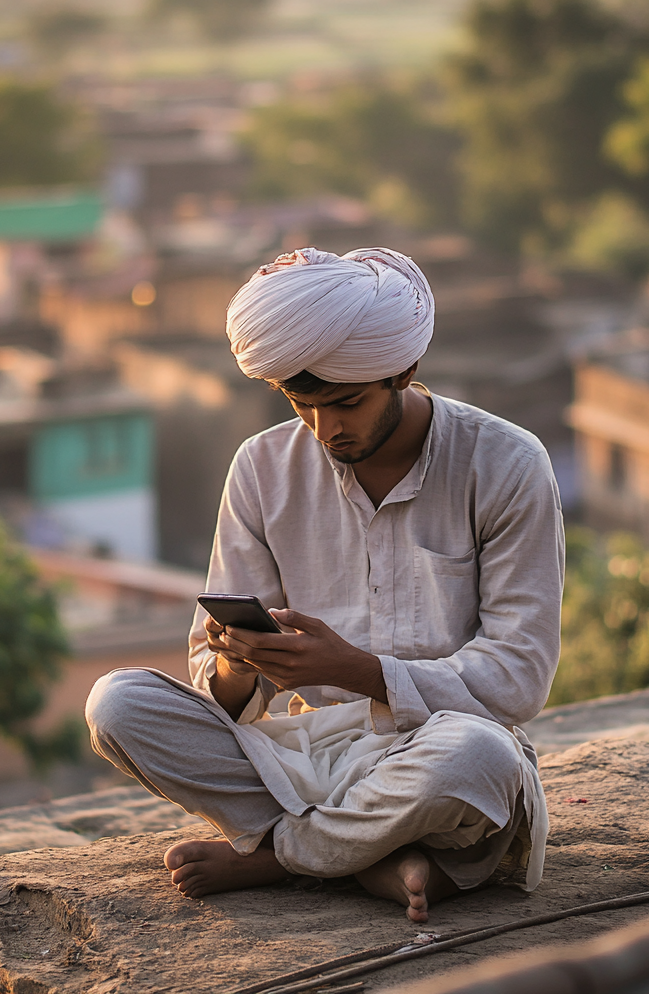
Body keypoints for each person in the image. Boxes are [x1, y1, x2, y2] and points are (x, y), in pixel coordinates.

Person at [86, 246, 564, 923]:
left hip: (434, 751)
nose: (325, 429)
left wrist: (358, 669)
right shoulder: (261, 467)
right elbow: (220, 695)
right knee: (117, 704)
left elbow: (518, 680)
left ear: (405, 370)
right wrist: (236, 658)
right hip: (302, 757)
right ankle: (366, 856)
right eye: (301, 405)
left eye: (346, 404)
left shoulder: (508, 464)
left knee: (482, 758)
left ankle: (277, 856)